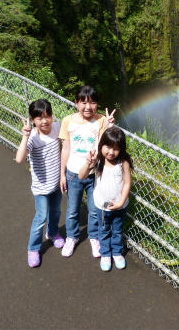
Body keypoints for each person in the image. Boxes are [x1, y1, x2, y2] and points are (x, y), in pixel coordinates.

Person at [59, 85, 116, 258]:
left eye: (92, 102)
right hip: (73, 173)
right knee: (72, 210)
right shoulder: (68, 121)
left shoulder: (100, 121)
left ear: (97, 104)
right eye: (83, 102)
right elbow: (66, 149)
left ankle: (94, 237)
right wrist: (62, 174)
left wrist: (109, 126)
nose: (88, 107)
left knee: (94, 209)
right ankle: (72, 237)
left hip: (94, 174)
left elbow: (104, 145)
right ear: (76, 103)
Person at [16, 99, 64, 268]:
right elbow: (20, 159)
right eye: (39, 117)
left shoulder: (57, 127)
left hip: (56, 183)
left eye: (48, 116)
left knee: (56, 211)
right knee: (41, 217)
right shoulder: (33, 137)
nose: (45, 121)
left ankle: (52, 233)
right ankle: (33, 248)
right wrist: (25, 136)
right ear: (33, 120)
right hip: (41, 188)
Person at [79, 126, 133, 271]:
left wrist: (121, 202)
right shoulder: (98, 160)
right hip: (102, 206)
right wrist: (88, 164)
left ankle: (117, 252)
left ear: (121, 149)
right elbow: (81, 176)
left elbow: (127, 182)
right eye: (108, 147)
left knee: (117, 230)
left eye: (115, 149)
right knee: (103, 231)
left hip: (119, 205)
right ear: (101, 145)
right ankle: (105, 254)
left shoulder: (124, 162)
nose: (111, 152)